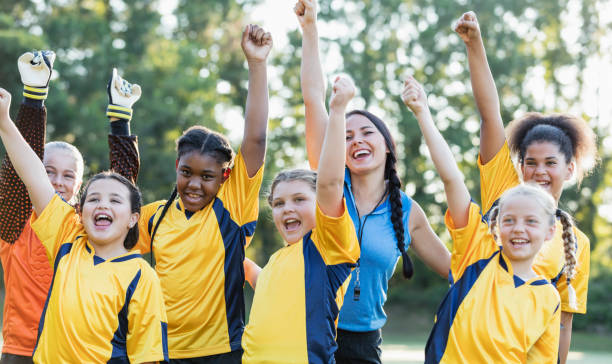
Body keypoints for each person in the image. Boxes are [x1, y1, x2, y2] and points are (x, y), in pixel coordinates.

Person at [295, 1, 450, 361]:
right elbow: (313, 100)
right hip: (309, 332)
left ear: (386, 146)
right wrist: (311, 28)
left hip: (364, 344)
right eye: (346, 136)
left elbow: (457, 272)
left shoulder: (408, 212)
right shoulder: (329, 186)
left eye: (366, 132)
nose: (355, 140)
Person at [454, 11, 598, 363]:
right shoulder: (504, 191)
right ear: (519, 166)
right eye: (531, 163)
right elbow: (490, 115)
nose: (539, 172)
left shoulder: (576, 243)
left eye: (551, 163)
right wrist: (474, 44)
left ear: (570, 169)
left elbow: (563, 322)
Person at [133, 24, 271, 362]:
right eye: (187, 173)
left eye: (207, 176)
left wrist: (257, 64)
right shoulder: (155, 215)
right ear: (176, 166)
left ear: (225, 176)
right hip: (162, 351)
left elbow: (255, 139)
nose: (195, 184)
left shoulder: (232, 206)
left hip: (222, 351)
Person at [0, 86, 168, 363]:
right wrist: (14, 115)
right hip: (23, 352)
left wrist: (121, 119)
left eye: (68, 176)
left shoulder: (137, 272)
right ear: (83, 207)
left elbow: (121, 189)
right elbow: (27, 173)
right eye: (95, 200)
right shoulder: (60, 235)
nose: (103, 205)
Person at [402, 76, 562, 364]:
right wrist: (423, 113)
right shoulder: (476, 250)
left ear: (550, 232)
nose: (519, 229)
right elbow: (451, 178)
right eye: (510, 220)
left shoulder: (548, 298)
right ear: (497, 226)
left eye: (531, 221)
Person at [242, 75, 360, 363]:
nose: (287, 208)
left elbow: (330, 183)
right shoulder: (277, 260)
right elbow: (266, 282)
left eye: (299, 200)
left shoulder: (326, 248)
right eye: (279, 203)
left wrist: (338, 111)